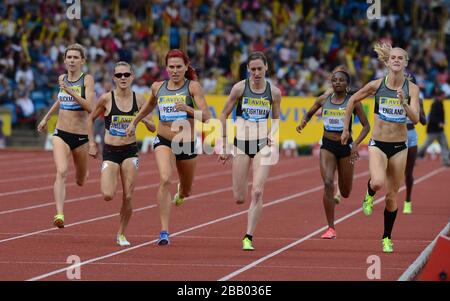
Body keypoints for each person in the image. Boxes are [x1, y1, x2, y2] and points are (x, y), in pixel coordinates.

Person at [341, 42, 420, 253]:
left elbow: (417, 119)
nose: (396, 60)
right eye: (392, 57)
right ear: (387, 62)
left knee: (392, 196)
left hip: (400, 146)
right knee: (377, 182)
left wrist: (403, 103)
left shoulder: (412, 89)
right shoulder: (377, 85)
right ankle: (368, 193)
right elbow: (352, 100)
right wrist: (346, 128)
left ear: (405, 63)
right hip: (378, 143)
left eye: (400, 58)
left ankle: (386, 237)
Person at [126, 49, 211, 245]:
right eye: (171, 67)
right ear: (166, 68)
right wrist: (134, 122)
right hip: (164, 140)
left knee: (187, 190)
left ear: (186, 67)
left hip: (186, 143)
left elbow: (207, 118)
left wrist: (188, 109)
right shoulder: (158, 87)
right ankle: (164, 231)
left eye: (178, 67)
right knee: (165, 179)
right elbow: (148, 106)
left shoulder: (193, 88)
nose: (174, 71)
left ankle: (181, 193)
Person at [296, 66, 370, 239]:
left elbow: (366, 126)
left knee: (345, 192)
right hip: (327, 146)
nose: (337, 83)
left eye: (341, 80)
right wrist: (303, 122)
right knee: (328, 183)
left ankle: (343, 191)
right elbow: (309, 112)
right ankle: (331, 228)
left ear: (347, 84)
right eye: (334, 80)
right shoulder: (324, 99)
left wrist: (355, 144)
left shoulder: (354, 101)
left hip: (346, 148)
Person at [218, 51, 282, 251]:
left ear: (266, 69)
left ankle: (248, 236)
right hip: (241, 145)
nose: (256, 73)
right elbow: (223, 113)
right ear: (247, 69)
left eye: (259, 69)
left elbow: (276, 118)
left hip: (262, 145)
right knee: (239, 197)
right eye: (252, 69)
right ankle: (246, 223)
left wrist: (274, 137)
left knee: (257, 191)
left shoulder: (274, 92)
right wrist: (225, 143)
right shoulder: (239, 88)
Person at [87, 61, 155, 246]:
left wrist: (145, 122)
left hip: (130, 151)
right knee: (108, 194)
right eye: (119, 75)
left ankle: (121, 233)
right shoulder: (106, 99)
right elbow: (90, 119)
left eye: (126, 74)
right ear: (114, 78)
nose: (123, 78)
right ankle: (111, 174)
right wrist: (92, 143)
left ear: (132, 76)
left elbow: (152, 125)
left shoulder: (140, 99)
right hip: (110, 151)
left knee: (128, 196)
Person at [37, 43, 94, 228]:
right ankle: (59, 214)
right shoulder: (62, 78)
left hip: (80, 137)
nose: (72, 60)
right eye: (69, 57)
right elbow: (60, 99)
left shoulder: (87, 80)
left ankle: (84, 172)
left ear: (82, 61)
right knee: (61, 171)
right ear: (64, 60)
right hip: (61, 133)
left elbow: (89, 107)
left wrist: (70, 90)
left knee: (80, 181)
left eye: (76, 57)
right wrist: (46, 118)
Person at [403, 74, 427, 214]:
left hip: (411, 136)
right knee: (392, 171)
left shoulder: (419, 100)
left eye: (411, 83)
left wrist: (416, 112)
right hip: (396, 135)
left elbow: (423, 122)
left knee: (408, 172)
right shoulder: (396, 97)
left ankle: (407, 200)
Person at [417, 88, 450, 167]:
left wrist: (441, 122)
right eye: (443, 95)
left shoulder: (440, 103)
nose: (444, 96)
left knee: (444, 145)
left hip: (440, 130)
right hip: (433, 130)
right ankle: (414, 156)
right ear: (439, 96)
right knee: (425, 146)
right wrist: (439, 123)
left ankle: (446, 161)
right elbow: (431, 117)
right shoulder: (435, 104)